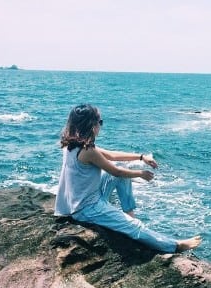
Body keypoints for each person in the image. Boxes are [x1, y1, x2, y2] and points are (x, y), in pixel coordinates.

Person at [54, 103, 201, 253]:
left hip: (77, 202)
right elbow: (116, 172)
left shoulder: (71, 145)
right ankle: (174, 246)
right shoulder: (88, 151)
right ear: (91, 125)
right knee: (133, 227)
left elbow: (111, 155)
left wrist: (141, 157)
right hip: (87, 208)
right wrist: (141, 174)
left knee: (122, 167)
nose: (101, 126)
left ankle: (129, 214)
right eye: (100, 122)